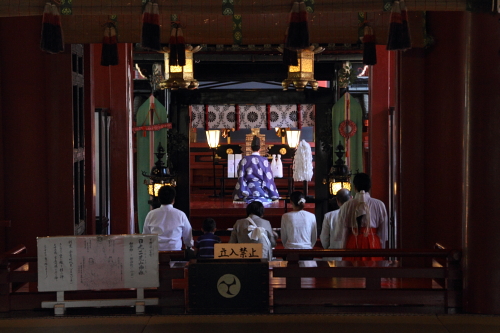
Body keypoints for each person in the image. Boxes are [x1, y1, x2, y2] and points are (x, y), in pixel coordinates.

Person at [333, 173, 388, 261]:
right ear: (370, 187)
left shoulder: (347, 205)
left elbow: (342, 231)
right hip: (373, 242)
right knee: (373, 271)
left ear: (355, 187)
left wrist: (343, 250)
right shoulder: (379, 205)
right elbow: (383, 232)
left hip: (353, 242)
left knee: (354, 272)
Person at [142, 185, 194, 252]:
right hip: (175, 252)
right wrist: (189, 246)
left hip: (156, 253)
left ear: (159, 199)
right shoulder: (181, 215)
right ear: (173, 200)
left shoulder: (151, 214)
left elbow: (146, 235)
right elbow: (187, 234)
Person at [232, 135, 280, 204]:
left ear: (251, 148)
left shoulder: (244, 160)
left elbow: (241, 177)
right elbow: (268, 179)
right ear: (260, 148)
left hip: (248, 191)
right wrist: (273, 194)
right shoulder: (264, 161)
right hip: (262, 191)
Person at [320, 188, 351, 260]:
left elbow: (324, 238)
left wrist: (329, 248)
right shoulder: (355, 214)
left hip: (333, 254)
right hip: (351, 255)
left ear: (337, 200)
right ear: (351, 198)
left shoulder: (329, 216)